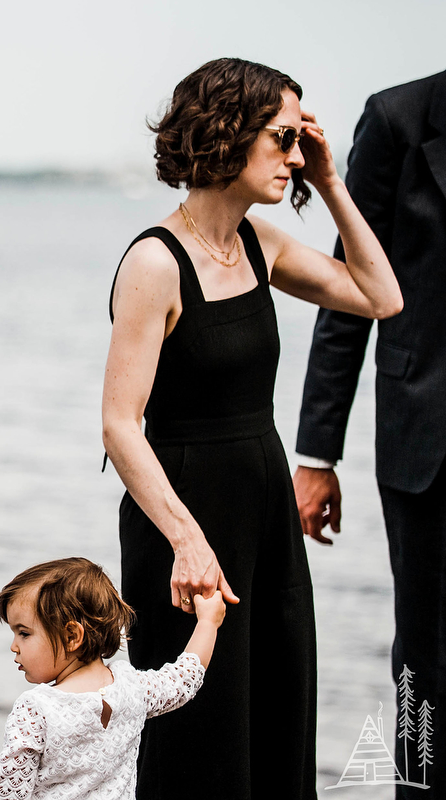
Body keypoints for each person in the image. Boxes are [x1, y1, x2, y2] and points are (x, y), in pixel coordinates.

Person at [102, 57, 403, 798]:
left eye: (302, 139)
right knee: (194, 733)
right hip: (183, 522)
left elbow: (380, 295)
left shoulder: (260, 246)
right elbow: (118, 425)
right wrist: (185, 537)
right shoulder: (154, 261)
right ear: (225, 132)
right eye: (282, 137)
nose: (296, 155)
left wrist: (334, 182)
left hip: (262, 508)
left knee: (277, 707)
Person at [294, 69, 446, 798]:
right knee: (423, 658)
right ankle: (416, 788)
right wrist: (318, 454)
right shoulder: (399, 119)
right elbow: (350, 295)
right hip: (428, 444)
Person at [0, 558, 225, 800]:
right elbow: (184, 678)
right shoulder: (132, 687)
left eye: (24, 633)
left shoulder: (36, 709)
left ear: (71, 636)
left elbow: (4, 793)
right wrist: (208, 623)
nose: (14, 646)